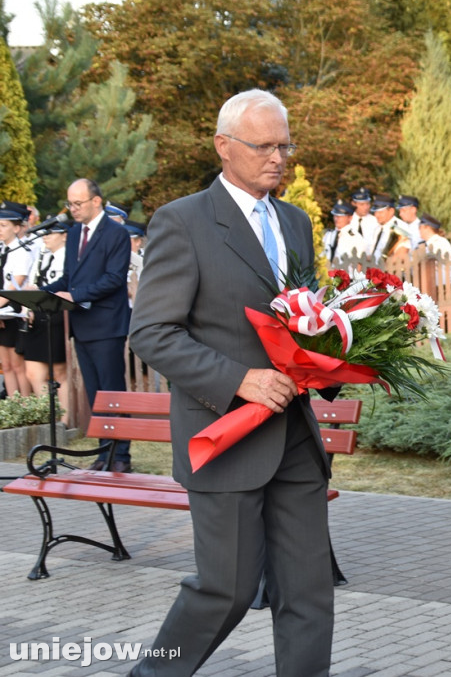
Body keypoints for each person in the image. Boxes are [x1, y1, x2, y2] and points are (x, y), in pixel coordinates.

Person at [127, 89, 336, 676]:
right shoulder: (183, 221)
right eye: (264, 145)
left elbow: (304, 320)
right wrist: (237, 379)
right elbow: (152, 332)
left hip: (294, 437)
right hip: (223, 437)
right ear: (224, 146)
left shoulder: (295, 223)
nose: (278, 157)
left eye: (285, 144)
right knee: (226, 589)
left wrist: (338, 361)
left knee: (309, 592)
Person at [42, 179, 132, 472]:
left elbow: (114, 278)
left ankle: (121, 457)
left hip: (107, 325)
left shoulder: (116, 233)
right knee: (95, 394)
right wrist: (44, 292)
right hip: (82, 325)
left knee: (112, 393)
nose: (72, 209)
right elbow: (70, 278)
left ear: (97, 201)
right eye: (69, 204)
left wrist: (74, 295)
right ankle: (102, 454)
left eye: (78, 203)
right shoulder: (73, 233)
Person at [21, 221, 71, 423]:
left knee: (59, 372)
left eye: (51, 233)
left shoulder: (67, 257)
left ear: (64, 235)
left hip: (58, 314)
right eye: (44, 234)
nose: (46, 237)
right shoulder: (42, 255)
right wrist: (27, 308)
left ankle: (64, 421)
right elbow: (32, 285)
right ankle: (47, 418)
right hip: (38, 314)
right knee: (33, 372)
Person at [0, 201, 33, 397]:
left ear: (17, 227)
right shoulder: (2, 250)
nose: (0, 230)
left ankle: (26, 405)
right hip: (2, 314)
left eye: (4, 225)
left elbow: (15, 286)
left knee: (18, 365)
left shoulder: (21, 251)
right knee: (6, 364)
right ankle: (14, 405)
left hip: (14, 311)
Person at [364, 194, 403, 264]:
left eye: (380, 212)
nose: (376, 215)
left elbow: (400, 254)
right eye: (375, 212)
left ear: (391, 211)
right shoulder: (377, 228)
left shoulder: (400, 228)